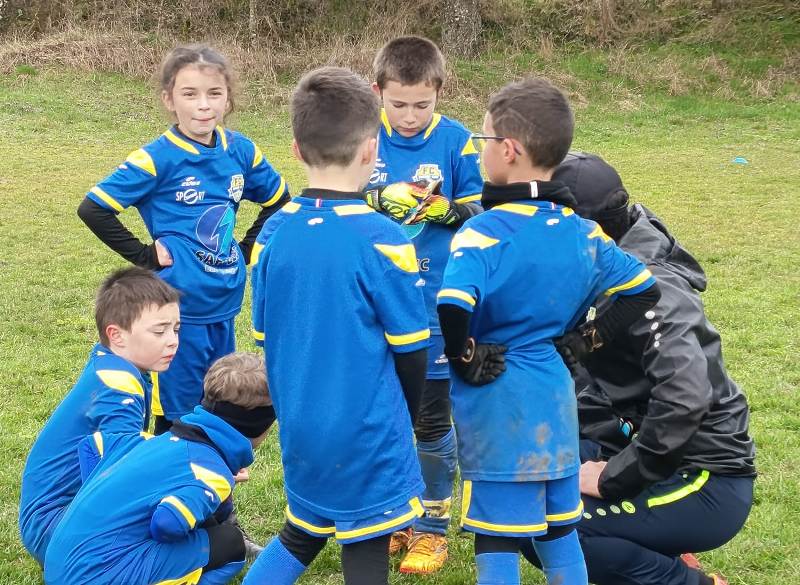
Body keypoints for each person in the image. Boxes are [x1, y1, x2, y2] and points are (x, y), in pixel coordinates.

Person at [436, 78, 661, 585]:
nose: (479, 150)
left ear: (508, 150)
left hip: (499, 403)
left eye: (483, 139)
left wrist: (464, 355)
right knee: (559, 532)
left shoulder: (483, 230)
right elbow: (643, 290)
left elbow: (453, 302)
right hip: (556, 400)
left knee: (497, 538)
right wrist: (585, 341)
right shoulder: (584, 232)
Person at [534, 151, 757, 585]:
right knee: (533, 482)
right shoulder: (601, 263)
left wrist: (612, 479)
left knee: (551, 526)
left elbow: (685, 399)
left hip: (705, 476)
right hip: (639, 445)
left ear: (588, 229)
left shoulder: (652, 290)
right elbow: (587, 373)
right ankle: (656, 542)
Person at [244, 66, 429, 585]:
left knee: (302, 532)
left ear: (296, 149)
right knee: (365, 544)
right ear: (372, 150)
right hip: (368, 431)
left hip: (302, 425)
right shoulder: (385, 240)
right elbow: (412, 351)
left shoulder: (271, 235)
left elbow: (266, 340)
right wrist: (408, 417)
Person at [77, 44, 289, 433]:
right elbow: (93, 209)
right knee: (177, 415)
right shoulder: (157, 158)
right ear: (169, 100)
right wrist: (145, 255)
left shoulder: (241, 151)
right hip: (177, 312)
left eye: (214, 93)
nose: (203, 105)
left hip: (225, 304)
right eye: (189, 94)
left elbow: (279, 201)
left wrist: (246, 249)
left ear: (228, 98)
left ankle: (210, 471)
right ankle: (171, 467)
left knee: (218, 403)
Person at [364, 35, 483, 573]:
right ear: (378, 92)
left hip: (432, 305)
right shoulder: (362, 137)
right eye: (399, 104)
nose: (410, 116)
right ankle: (398, 516)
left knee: (431, 419)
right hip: (374, 301)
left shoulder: (456, 141)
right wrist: (375, 198)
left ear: (439, 92)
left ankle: (433, 528)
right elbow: (334, 193)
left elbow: (480, 209)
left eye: (422, 104)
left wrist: (445, 211)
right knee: (387, 414)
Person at [43, 352, 275, 585]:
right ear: (259, 425)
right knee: (231, 543)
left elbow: (93, 447)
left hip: (57, 566)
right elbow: (167, 523)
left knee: (205, 524)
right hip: (98, 576)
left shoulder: (150, 442)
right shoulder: (210, 473)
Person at [19, 266, 180, 566]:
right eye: (159, 331)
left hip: (52, 522)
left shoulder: (111, 363)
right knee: (208, 543)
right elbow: (122, 470)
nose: (172, 340)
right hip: (56, 529)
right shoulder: (119, 387)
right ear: (116, 335)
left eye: (176, 329)